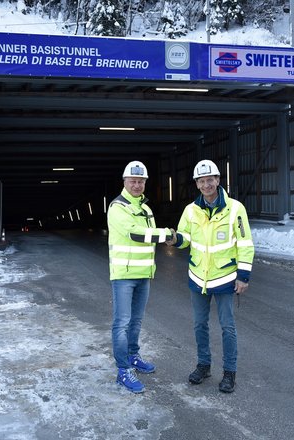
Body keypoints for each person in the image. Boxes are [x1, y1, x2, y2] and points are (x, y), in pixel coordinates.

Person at [171, 159, 254, 393]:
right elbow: (185, 238)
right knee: (199, 325)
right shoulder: (190, 210)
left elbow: (245, 244)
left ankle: (229, 372)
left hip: (226, 278)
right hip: (198, 277)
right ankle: (204, 365)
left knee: (227, 327)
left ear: (218, 180)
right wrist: (175, 239)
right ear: (196, 184)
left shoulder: (236, 209)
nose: (206, 184)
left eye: (210, 180)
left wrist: (243, 276)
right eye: (201, 181)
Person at [107, 160, 175, 393]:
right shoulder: (117, 207)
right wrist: (166, 234)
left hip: (143, 274)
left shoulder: (146, 209)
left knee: (136, 321)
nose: (137, 185)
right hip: (124, 275)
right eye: (133, 181)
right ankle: (123, 369)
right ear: (125, 182)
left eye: (141, 181)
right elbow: (136, 234)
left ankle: (133, 356)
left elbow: (148, 237)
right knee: (122, 323)